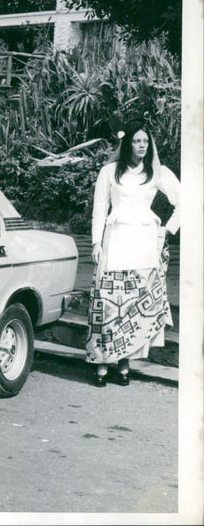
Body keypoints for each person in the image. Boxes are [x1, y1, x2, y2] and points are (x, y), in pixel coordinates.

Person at [87, 119, 180, 387]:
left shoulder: (157, 172)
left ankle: (124, 363)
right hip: (115, 242)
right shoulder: (109, 172)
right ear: (127, 143)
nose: (142, 146)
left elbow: (184, 200)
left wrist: (167, 232)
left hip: (144, 246)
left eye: (145, 141)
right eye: (137, 141)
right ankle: (102, 362)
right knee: (107, 305)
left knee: (132, 308)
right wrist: (96, 243)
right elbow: (99, 209)